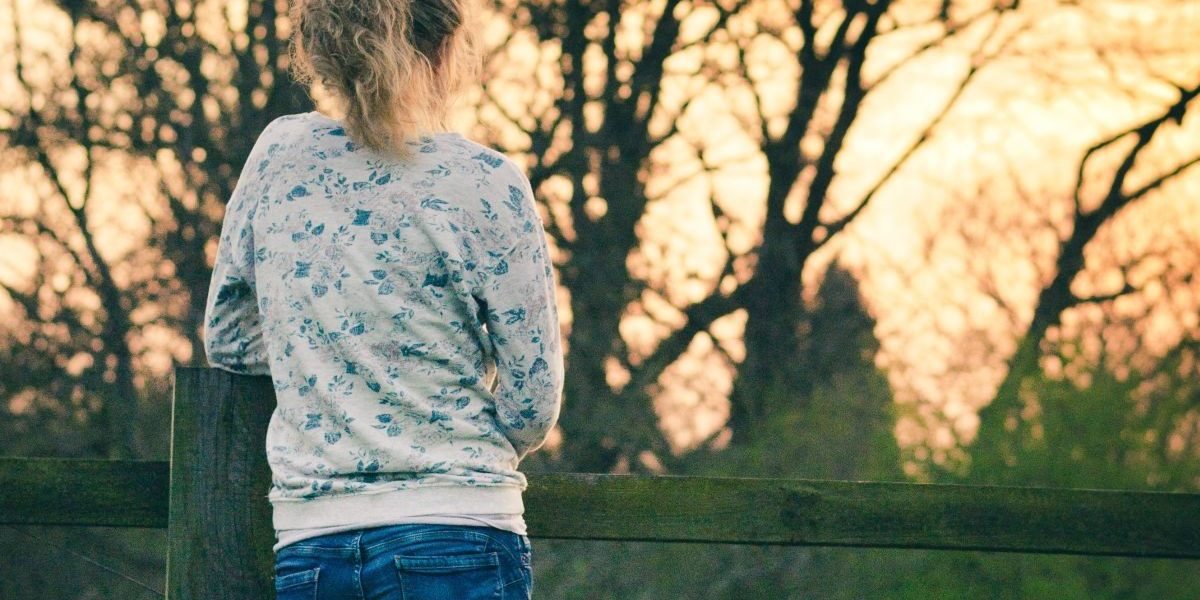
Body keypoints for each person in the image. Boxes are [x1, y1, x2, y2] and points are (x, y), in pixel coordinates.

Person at [201, 0, 564, 597]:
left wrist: (327, 347)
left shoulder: (279, 156)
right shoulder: (487, 181)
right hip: (460, 529)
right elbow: (533, 403)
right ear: (444, 50)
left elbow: (230, 337)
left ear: (324, 53)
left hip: (313, 540)